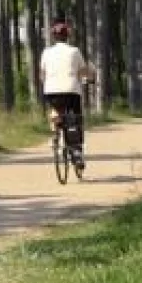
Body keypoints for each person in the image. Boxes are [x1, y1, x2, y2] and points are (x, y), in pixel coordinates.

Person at [40, 19, 94, 172]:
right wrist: (89, 79)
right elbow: (83, 71)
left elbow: (42, 74)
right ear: (67, 36)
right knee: (75, 118)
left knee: (55, 108)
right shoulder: (74, 51)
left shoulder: (46, 52)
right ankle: (77, 152)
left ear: (54, 37)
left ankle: (55, 132)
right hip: (71, 90)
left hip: (52, 90)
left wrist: (48, 81)